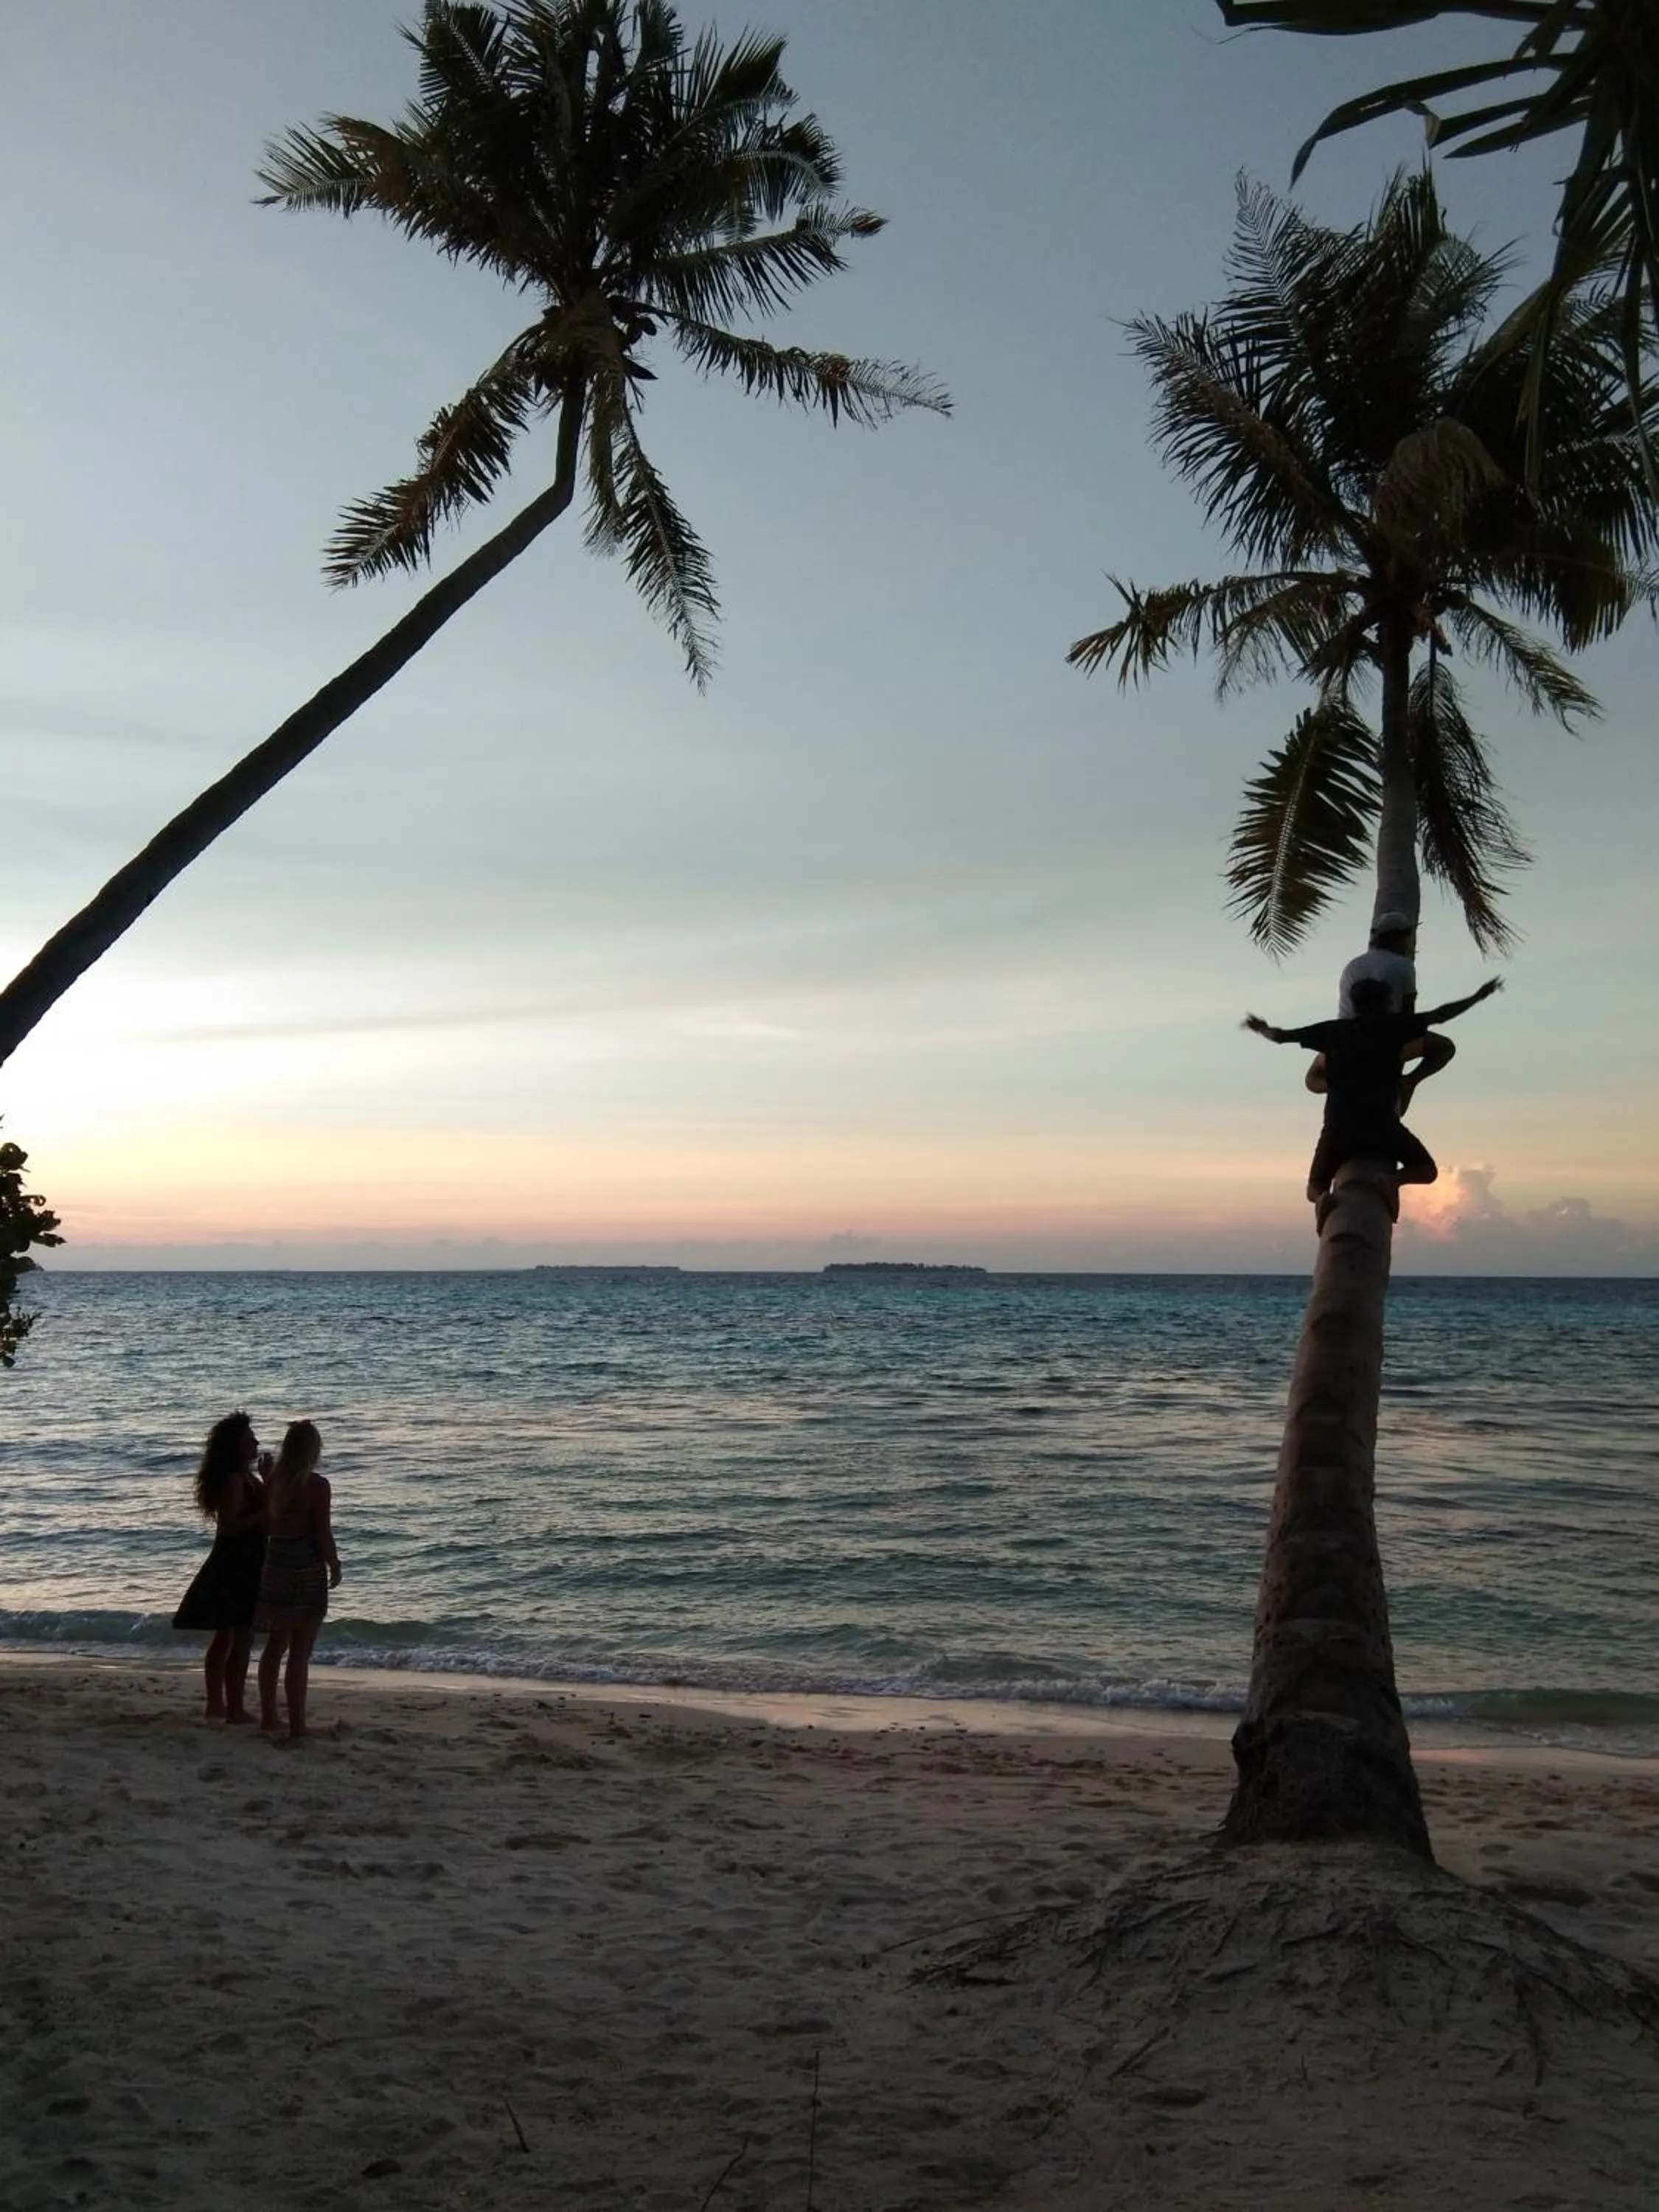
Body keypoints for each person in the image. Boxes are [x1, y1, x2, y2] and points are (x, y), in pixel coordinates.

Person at [1245, 974, 1503, 1203]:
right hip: (1382, 1124)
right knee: (1426, 1170)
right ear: (1383, 1004)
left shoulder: (1332, 1031)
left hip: (1338, 1126)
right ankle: (1392, 1182)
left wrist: (1261, 1028)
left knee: (1314, 1190)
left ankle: (1325, 1200)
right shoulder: (1394, 1028)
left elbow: (1281, 1037)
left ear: (1355, 1005)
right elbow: (1441, 1015)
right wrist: (1479, 996)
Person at [173, 1411, 271, 1723]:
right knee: (239, 1637)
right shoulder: (233, 1479)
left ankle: (220, 1705)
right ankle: (232, 1708)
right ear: (236, 1446)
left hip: (245, 1559)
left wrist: (269, 1480)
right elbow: (228, 1527)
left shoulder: (246, 1476)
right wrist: (261, 1518)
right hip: (235, 1561)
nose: (255, 1442)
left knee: (229, 1636)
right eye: (249, 1439)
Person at [1305, 914, 1456, 1114]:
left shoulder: (1353, 965)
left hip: (1344, 1041)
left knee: (1311, 1079)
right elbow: (1407, 1015)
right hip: (1383, 1041)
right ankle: (1409, 1083)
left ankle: (1345, 1085)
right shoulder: (1403, 966)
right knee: (1444, 1048)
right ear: (1402, 937)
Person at [254, 1420, 341, 1742]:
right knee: (300, 1651)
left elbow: (269, 1520)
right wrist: (334, 1563)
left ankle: (268, 1717)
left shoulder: (273, 1482)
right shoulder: (317, 1486)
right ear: (313, 1451)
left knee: (276, 1645)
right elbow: (321, 1532)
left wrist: (266, 1477)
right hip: (304, 1568)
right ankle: (297, 1726)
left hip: (275, 1565)